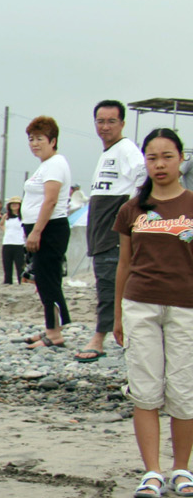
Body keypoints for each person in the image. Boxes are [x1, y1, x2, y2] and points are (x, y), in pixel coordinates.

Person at [113, 129, 193, 498]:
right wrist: (117, 317)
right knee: (145, 391)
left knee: (184, 392)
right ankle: (152, 472)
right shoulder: (132, 209)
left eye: (167, 156)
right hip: (140, 304)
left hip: (186, 307)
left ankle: (181, 468)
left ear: (180, 159)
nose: (159, 164)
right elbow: (124, 265)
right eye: (152, 158)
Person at [77, 100, 148, 363]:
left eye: (111, 121)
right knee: (105, 284)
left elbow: (143, 178)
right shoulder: (108, 153)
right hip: (100, 231)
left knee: (109, 286)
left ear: (122, 124)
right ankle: (125, 337)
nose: (105, 126)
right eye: (100, 121)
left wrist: (129, 213)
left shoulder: (127, 150)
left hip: (113, 233)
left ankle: (99, 337)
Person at [19, 116, 72, 349]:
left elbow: (50, 201)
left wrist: (36, 232)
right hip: (39, 228)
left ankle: (55, 333)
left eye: (40, 138)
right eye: (31, 139)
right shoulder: (45, 165)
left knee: (49, 280)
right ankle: (52, 327)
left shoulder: (56, 163)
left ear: (53, 140)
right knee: (42, 280)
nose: (34, 143)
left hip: (50, 229)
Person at [0, 198, 27, 284]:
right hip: (7, 242)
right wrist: (5, 231)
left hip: (19, 243)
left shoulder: (23, 216)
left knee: (20, 265)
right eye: (12, 204)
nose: (14, 206)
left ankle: (21, 281)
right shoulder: (6, 216)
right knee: (7, 264)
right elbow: (1, 224)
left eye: (16, 204)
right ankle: (7, 281)